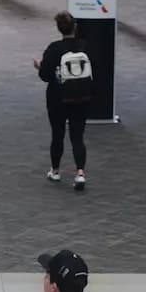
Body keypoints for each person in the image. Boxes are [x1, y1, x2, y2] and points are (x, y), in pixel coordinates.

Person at [34, 12, 89, 191]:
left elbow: (44, 76)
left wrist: (40, 66)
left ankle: (55, 170)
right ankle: (80, 172)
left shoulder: (54, 48)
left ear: (59, 29)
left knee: (57, 134)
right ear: (75, 27)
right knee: (77, 136)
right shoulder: (85, 46)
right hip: (81, 97)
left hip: (57, 98)